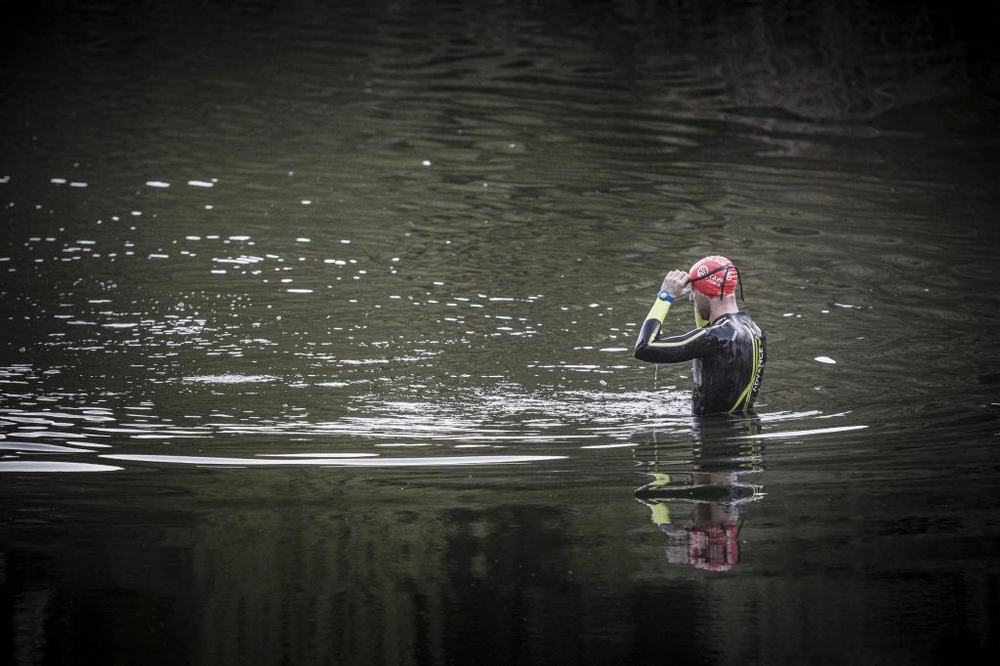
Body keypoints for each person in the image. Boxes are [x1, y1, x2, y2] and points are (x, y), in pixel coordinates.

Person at [634, 255, 766, 415]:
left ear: (706, 293)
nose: (690, 298)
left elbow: (644, 347)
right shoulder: (756, 331)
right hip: (745, 431)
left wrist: (665, 296)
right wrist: (700, 293)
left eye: (694, 292)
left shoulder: (715, 338)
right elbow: (706, 323)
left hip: (711, 435)